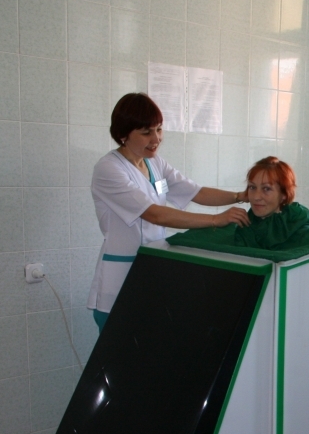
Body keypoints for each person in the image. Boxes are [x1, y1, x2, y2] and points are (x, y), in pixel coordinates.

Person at [88, 93, 251, 331]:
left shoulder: (155, 163)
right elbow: (155, 214)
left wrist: (241, 196)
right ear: (124, 134)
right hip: (120, 277)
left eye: (159, 129)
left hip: (151, 270)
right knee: (119, 348)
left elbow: (196, 192)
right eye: (146, 132)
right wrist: (217, 219)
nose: (156, 139)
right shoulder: (109, 169)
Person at [233, 157, 309, 249]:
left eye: (266, 188)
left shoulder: (299, 221)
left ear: (284, 194)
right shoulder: (245, 224)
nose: (256, 197)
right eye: (252, 187)